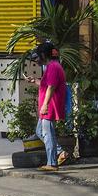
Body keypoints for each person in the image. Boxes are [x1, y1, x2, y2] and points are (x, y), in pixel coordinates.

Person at [35, 41, 68, 172]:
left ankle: (52, 163)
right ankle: (60, 152)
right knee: (40, 131)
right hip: (48, 105)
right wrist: (36, 81)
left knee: (47, 134)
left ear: (44, 55)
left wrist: (45, 105)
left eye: (39, 55)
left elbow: (51, 87)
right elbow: (47, 85)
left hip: (50, 106)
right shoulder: (52, 66)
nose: (37, 59)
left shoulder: (53, 67)